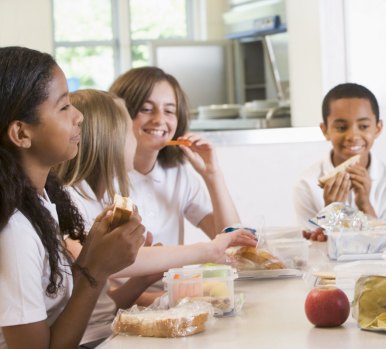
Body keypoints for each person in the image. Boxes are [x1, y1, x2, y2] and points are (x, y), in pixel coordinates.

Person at [54, 89, 257, 346]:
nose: (136, 140)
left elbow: (104, 301)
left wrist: (144, 280)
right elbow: (98, 259)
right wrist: (209, 250)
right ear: (110, 140)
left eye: (170, 110)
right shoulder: (70, 200)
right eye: (129, 130)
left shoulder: (99, 199)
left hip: (108, 331)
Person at [0, 46, 144, 348]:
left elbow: (61, 313)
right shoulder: (14, 232)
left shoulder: (40, 202)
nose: (79, 117)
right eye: (64, 107)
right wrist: (96, 270)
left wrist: (93, 255)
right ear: (21, 134)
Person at [109, 67, 240, 246]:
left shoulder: (178, 174)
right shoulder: (101, 178)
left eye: (169, 111)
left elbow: (234, 243)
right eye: (146, 109)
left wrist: (212, 176)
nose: (159, 119)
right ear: (119, 115)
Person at [293, 83, 386, 228]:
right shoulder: (307, 184)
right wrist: (332, 212)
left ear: (378, 128)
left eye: (363, 126)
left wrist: (365, 206)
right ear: (325, 130)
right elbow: (311, 247)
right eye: (341, 128)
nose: (353, 136)